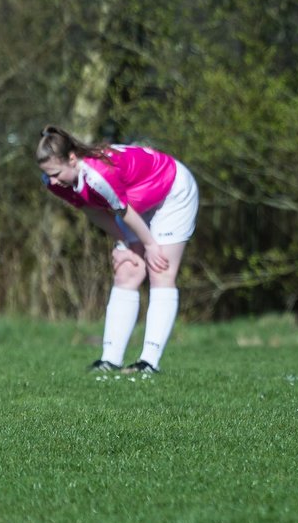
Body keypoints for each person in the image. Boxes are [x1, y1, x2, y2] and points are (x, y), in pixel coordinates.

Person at [36, 125, 200, 374]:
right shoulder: (54, 181)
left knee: (161, 270)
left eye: (57, 173)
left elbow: (122, 210)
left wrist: (150, 246)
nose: (53, 180)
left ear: (72, 158)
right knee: (128, 270)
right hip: (136, 202)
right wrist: (124, 242)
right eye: (48, 174)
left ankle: (148, 363)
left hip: (171, 190)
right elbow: (92, 210)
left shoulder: (98, 174)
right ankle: (110, 361)